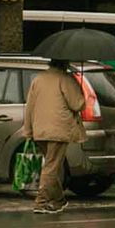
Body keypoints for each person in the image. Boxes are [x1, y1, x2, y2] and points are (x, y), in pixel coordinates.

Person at [23, 58, 86, 214]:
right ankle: (41, 201)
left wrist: (28, 130)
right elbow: (77, 104)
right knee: (51, 166)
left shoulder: (38, 79)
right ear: (65, 64)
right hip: (58, 129)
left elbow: (29, 106)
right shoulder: (65, 79)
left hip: (40, 129)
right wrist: (80, 90)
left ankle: (58, 200)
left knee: (53, 166)